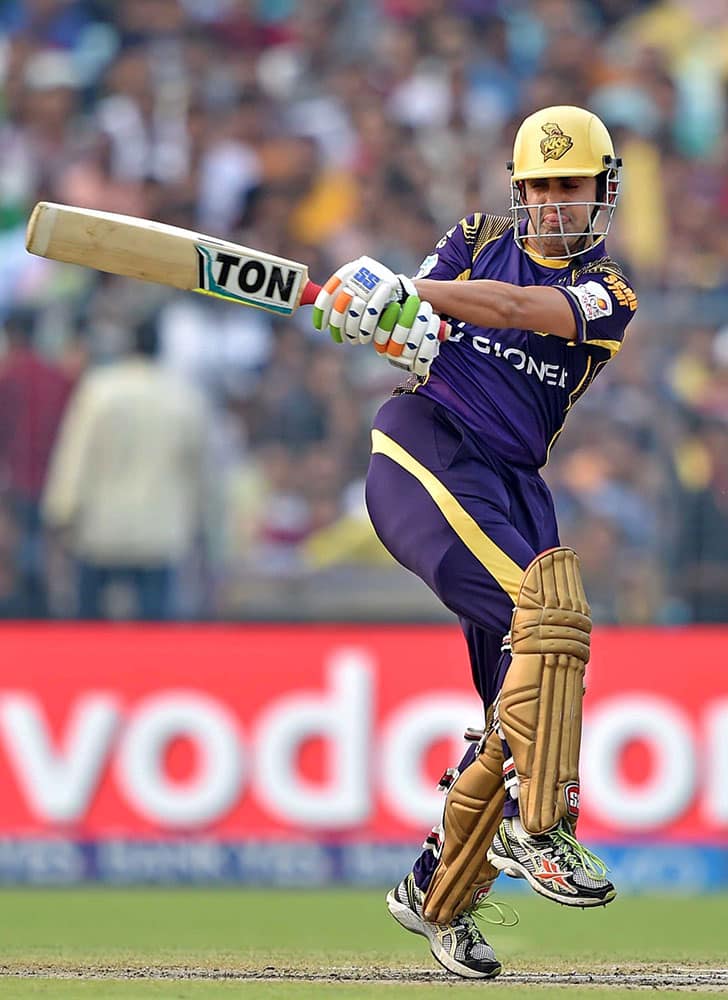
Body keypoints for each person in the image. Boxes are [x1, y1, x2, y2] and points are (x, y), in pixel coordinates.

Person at [312, 106, 638, 979]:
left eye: (571, 187)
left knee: (520, 704)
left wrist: (405, 294)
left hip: (511, 487)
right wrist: (375, 314)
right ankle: (544, 829)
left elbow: (510, 306)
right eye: (541, 187)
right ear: (518, 190)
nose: (555, 204)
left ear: (601, 193)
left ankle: (434, 892)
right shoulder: (472, 235)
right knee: (548, 615)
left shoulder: (612, 293)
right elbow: (410, 336)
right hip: (427, 449)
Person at [42, 314, 208, 621]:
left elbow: (75, 455)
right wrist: (203, 525)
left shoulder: (99, 390)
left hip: (100, 527)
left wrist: (61, 511)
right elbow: (199, 471)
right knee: (153, 635)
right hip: (160, 531)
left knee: (90, 629)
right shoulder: (183, 396)